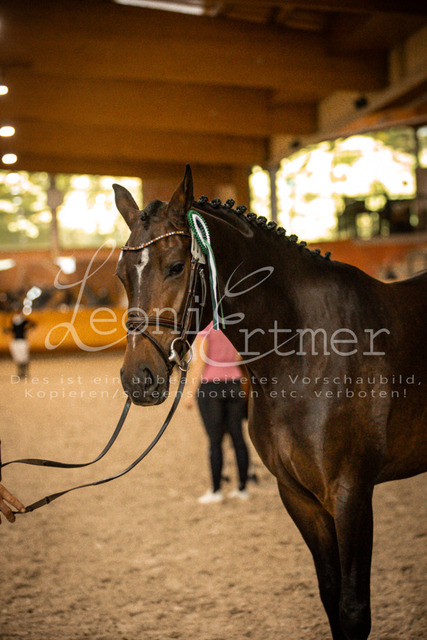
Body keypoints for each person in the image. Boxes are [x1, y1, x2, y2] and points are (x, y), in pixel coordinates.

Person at [185, 322, 250, 504]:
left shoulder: (205, 330)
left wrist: (190, 393)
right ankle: (242, 488)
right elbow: (238, 356)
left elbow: (201, 362)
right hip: (234, 383)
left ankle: (216, 490)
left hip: (210, 386)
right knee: (238, 438)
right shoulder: (232, 325)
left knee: (215, 441)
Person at [4, 308, 36, 378]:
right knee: (17, 357)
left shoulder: (24, 320)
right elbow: (13, 330)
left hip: (23, 341)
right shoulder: (13, 320)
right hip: (15, 341)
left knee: (24, 357)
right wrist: (7, 330)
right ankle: (20, 372)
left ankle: (25, 372)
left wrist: (27, 329)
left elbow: (33, 324)